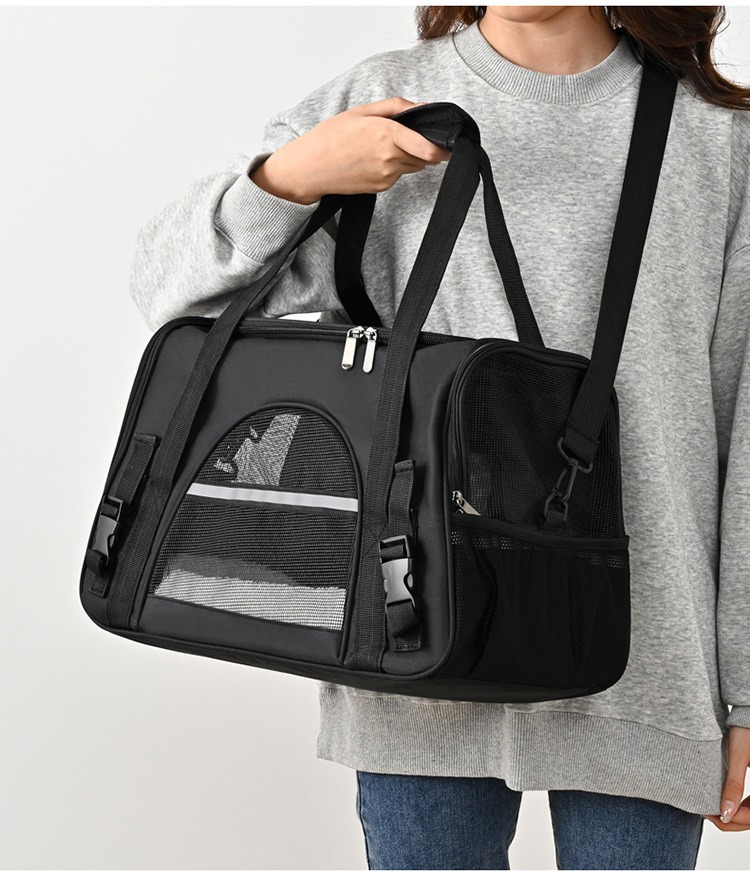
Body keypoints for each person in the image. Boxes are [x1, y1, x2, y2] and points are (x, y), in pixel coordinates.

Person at [129, 5, 750, 869]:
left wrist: (746, 686)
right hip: (411, 645)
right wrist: (290, 177)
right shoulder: (384, 101)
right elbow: (170, 295)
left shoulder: (719, 141)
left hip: (646, 671)